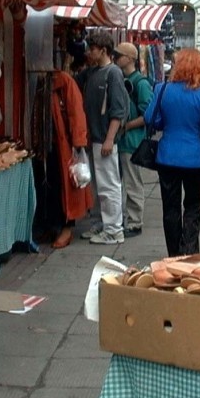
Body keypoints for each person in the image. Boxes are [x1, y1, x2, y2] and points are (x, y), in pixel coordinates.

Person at [144, 48, 200, 256]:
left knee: (170, 208)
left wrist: (165, 123)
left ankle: (173, 254)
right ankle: (189, 249)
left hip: (167, 156)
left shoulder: (162, 89)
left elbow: (150, 118)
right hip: (194, 158)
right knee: (193, 206)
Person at [32, 69, 93, 249]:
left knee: (64, 187)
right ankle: (52, 225)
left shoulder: (63, 81)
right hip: (45, 144)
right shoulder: (40, 80)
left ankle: (66, 227)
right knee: (47, 186)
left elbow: (75, 111)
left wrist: (78, 141)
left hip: (62, 144)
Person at [80, 31, 129, 245]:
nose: (89, 52)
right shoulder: (92, 73)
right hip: (94, 139)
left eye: (93, 48)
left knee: (109, 186)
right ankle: (101, 223)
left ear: (103, 50)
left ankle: (114, 230)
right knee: (98, 187)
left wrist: (110, 139)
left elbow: (118, 110)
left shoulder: (113, 74)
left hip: (103, 139)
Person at [113, 42, 153, 239]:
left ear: (129, 58)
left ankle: (135, 222)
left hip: (132, 140)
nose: (115, 58)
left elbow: (148, 113)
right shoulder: (123, 78)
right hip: (123, 140)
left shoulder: (140, 83)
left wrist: (126, 126)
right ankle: (128, 219)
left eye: (118, 55)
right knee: (122, 182)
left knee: (132, 182)